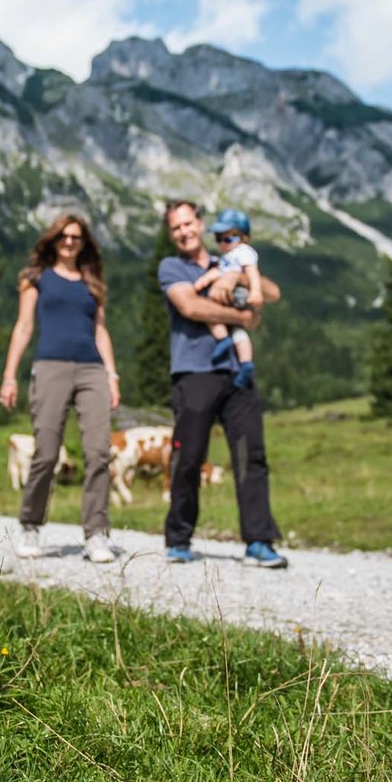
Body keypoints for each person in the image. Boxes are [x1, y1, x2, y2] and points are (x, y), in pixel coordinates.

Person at [157, 200, 287, 568]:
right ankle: (178, 538)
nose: (183, 232)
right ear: (172, 234)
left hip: (237, 374)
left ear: (200, 225)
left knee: (252, 456)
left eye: (188, 224)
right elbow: (192, 308)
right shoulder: (171, 267)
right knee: (189, 457)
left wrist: (237, 277)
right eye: (175, 227)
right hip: (193, 373)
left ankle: (259, 541)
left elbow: (273, 293)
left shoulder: (227, 259)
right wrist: (243, 317)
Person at [0, 213, 121, 563]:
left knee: (99, 452)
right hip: (50, 368)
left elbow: (101, 330)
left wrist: (112, 375)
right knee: (47, 453)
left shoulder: (91, 282)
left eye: (76, 237)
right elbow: (23, 327)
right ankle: (31, 525)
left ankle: (97, 534)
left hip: (92, 370)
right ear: (53, 240)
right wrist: (10, 375)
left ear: (84, 244)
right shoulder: (37, 278)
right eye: (64, 236)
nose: (69, 242)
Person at [192, 208, 261, 389]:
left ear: (243, 237)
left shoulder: (244, 252)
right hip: (233, 297)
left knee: (208, 309)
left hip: (237, 294)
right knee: (238, 331)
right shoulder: (227, 257)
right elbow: (217, 271)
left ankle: (222, 340)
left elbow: (252, 272)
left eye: (228, 239)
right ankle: (246, 363)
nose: (222, 243)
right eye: (218, 239)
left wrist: (255, 291)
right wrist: (203, 280)